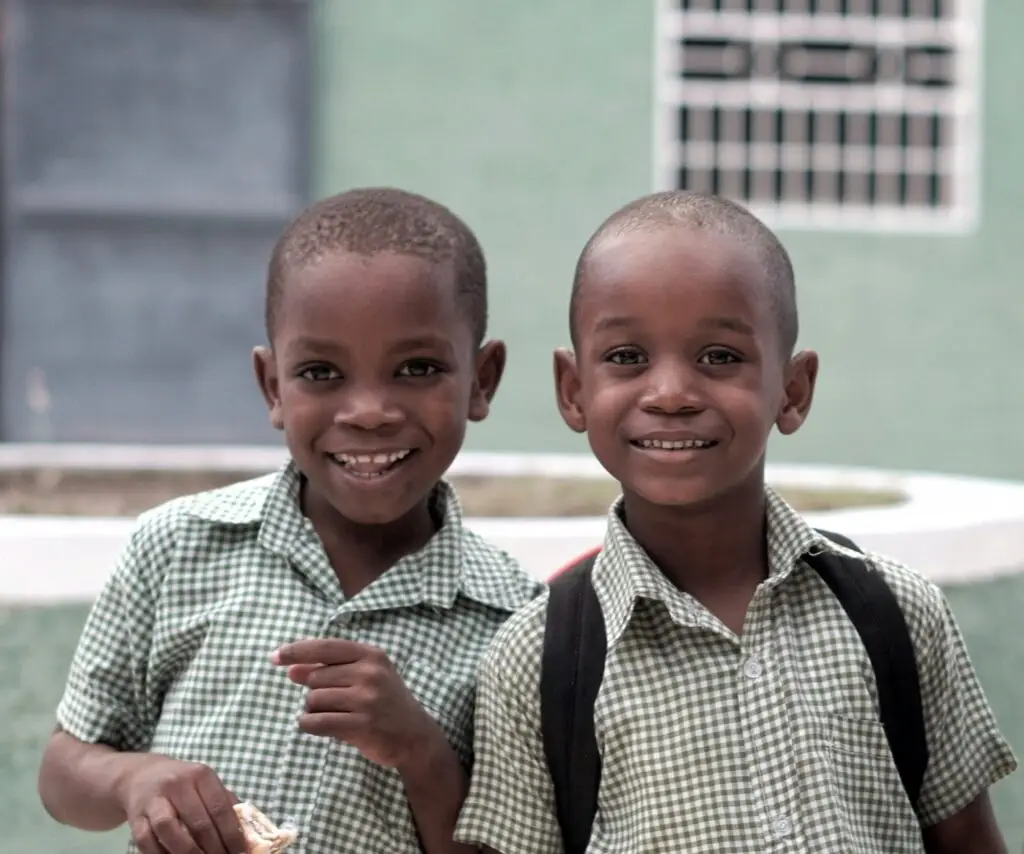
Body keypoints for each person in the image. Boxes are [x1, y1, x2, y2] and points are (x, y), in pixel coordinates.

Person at [454, 190, 1016, 853]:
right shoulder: (538, 661)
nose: (670, 394)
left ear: (793, 390)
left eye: (719, 357)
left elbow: (969, 839)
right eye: (627, 357)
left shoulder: (895, 613)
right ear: (573, 390)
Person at [37, 187, 543, 854]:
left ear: (482, 379)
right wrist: (135, 779)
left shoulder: (515, 622)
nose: (367, 411)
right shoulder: (177, 547)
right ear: (272, 386)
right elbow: (62, 775)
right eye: (321, 372)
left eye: (416, 368)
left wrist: (420, 750)